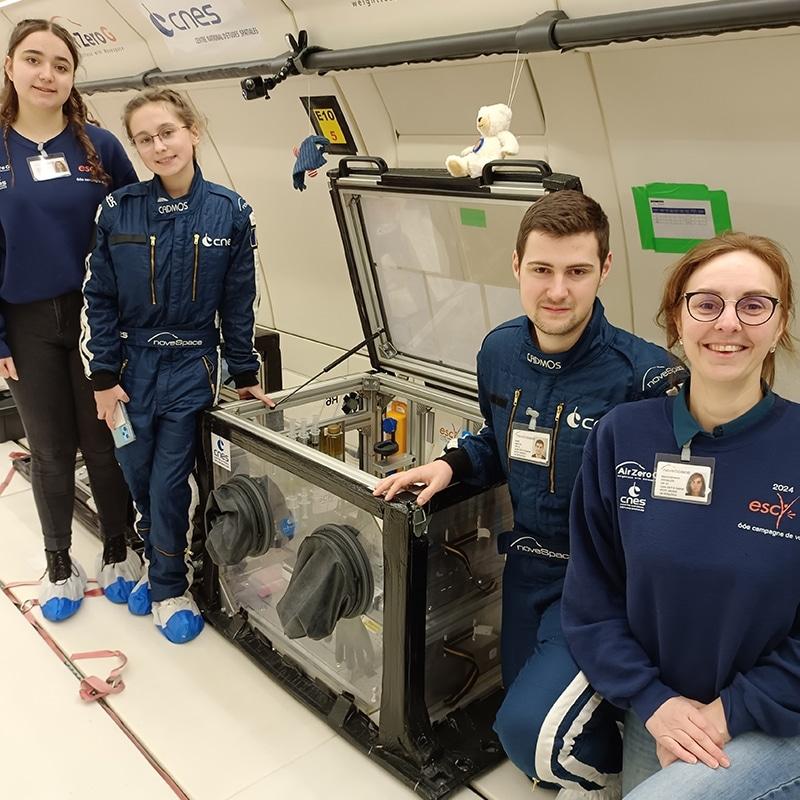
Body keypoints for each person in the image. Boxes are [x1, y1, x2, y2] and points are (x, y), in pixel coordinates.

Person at [374, 190, 687, 798]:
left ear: (606, 269)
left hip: (602, 584)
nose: (558, 291)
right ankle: (593, 760)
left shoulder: (646, 377)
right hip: (527, 566)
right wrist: (450, 463)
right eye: (542, 270)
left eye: (577, 271)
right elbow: (501, 437)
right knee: (523, 725)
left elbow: (679, 503)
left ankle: (609, 781)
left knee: (528, 733)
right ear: (517, 266)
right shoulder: (499, 351)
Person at [562, 232, 800, 800]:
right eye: (707, 303)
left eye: (754, 304)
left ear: (778, 324)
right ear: (677, 317)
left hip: (780, 714)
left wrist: (728, 713)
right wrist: (654, 701)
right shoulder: (621, 436)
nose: (728, 323)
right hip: (661, 712)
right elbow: (592, 601)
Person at [81, 88, 272, 644]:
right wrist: (104, 377)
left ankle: (170, 585)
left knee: (169, 482)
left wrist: (246, 373)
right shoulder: (118, 210)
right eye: (145, 139)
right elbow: (100, 297)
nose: (158, 146)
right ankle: (151, 554)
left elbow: (239, 301)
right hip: (131, 368)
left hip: (193, 365)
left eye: (167, 132)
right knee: (137, 474)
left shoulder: (231, 212)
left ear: (192, 129)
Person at [0, 19, 140, 622]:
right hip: (24, 322)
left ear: (73, 77)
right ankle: (59, 562)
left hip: (96, 317)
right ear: (10, 67)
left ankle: (119, 547)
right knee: (51, 451)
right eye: (33, 60)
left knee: (105, 440)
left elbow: (137, 228)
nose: (46, 74)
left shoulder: (100, 147)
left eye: (60, 64)